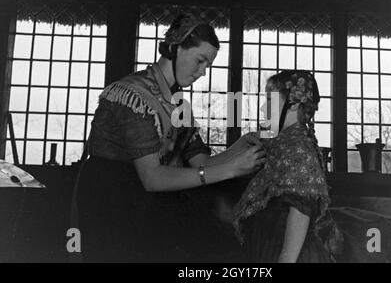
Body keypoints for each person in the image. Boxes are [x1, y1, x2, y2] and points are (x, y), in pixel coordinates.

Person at [75, 14, 266, 262]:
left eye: (207, 65)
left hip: (148, 202)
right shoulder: (134, 95)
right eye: (200, 61)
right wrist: (230, 168)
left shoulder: (178, 106)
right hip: (113, 199)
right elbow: (152, 177)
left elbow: (202, 165)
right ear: (175, 49)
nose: (203, 72)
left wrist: (240, 146)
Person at [233, 70, 342, 263]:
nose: (262, 108)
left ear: (293, 105)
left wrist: (285, 260)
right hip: (268, 246)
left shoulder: (298, 147)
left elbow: (301, 209)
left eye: (269, 100)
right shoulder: (281, 141)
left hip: (289, 255)